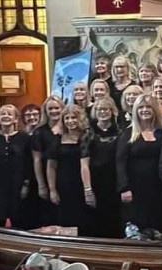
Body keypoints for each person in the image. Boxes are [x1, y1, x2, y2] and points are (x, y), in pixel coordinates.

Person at [116, 94, 162, 235]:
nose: (145, 110)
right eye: (141, 107)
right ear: (135, 110)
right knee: (136, 229)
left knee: (158, 226)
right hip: (135, 190)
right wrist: (124, 187)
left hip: (158, 189)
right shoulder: (128, 133)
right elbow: (120, 161)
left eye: (148, 107)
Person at [46, 104, 95, 234]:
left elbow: (84, 164)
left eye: (74, 117)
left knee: (84, 220)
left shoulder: (86, 136)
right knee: (64, 220)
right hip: (63, 185)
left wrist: (88, 190)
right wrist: (52, 190)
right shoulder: (57, 138)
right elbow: (51, 166)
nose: (70, 121)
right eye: (67, 118)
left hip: (81, 183)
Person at [0, 105, 32, 228]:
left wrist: (26, 184)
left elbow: (28, 163)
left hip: (18, 184)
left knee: (19, 220)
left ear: (16, 119)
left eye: (9, 114)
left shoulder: (24, 138)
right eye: (2, 114)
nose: (5, 116)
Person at [88, 97, 122, 237]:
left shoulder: (120, 130)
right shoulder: (89, 131)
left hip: (114, 178)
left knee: (114, 214)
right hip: (95, 178)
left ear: (112, 111)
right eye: (99, 109)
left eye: (106, 109)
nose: (103, 112)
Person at [31, 96, 64, 226]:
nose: (54, 111)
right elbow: (37, 159)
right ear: (45, 111)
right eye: (50, 108)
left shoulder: (68, 129)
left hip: (66, 175)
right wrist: (41, 185)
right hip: (46, 175)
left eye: (57, 108)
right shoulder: (39, 132)